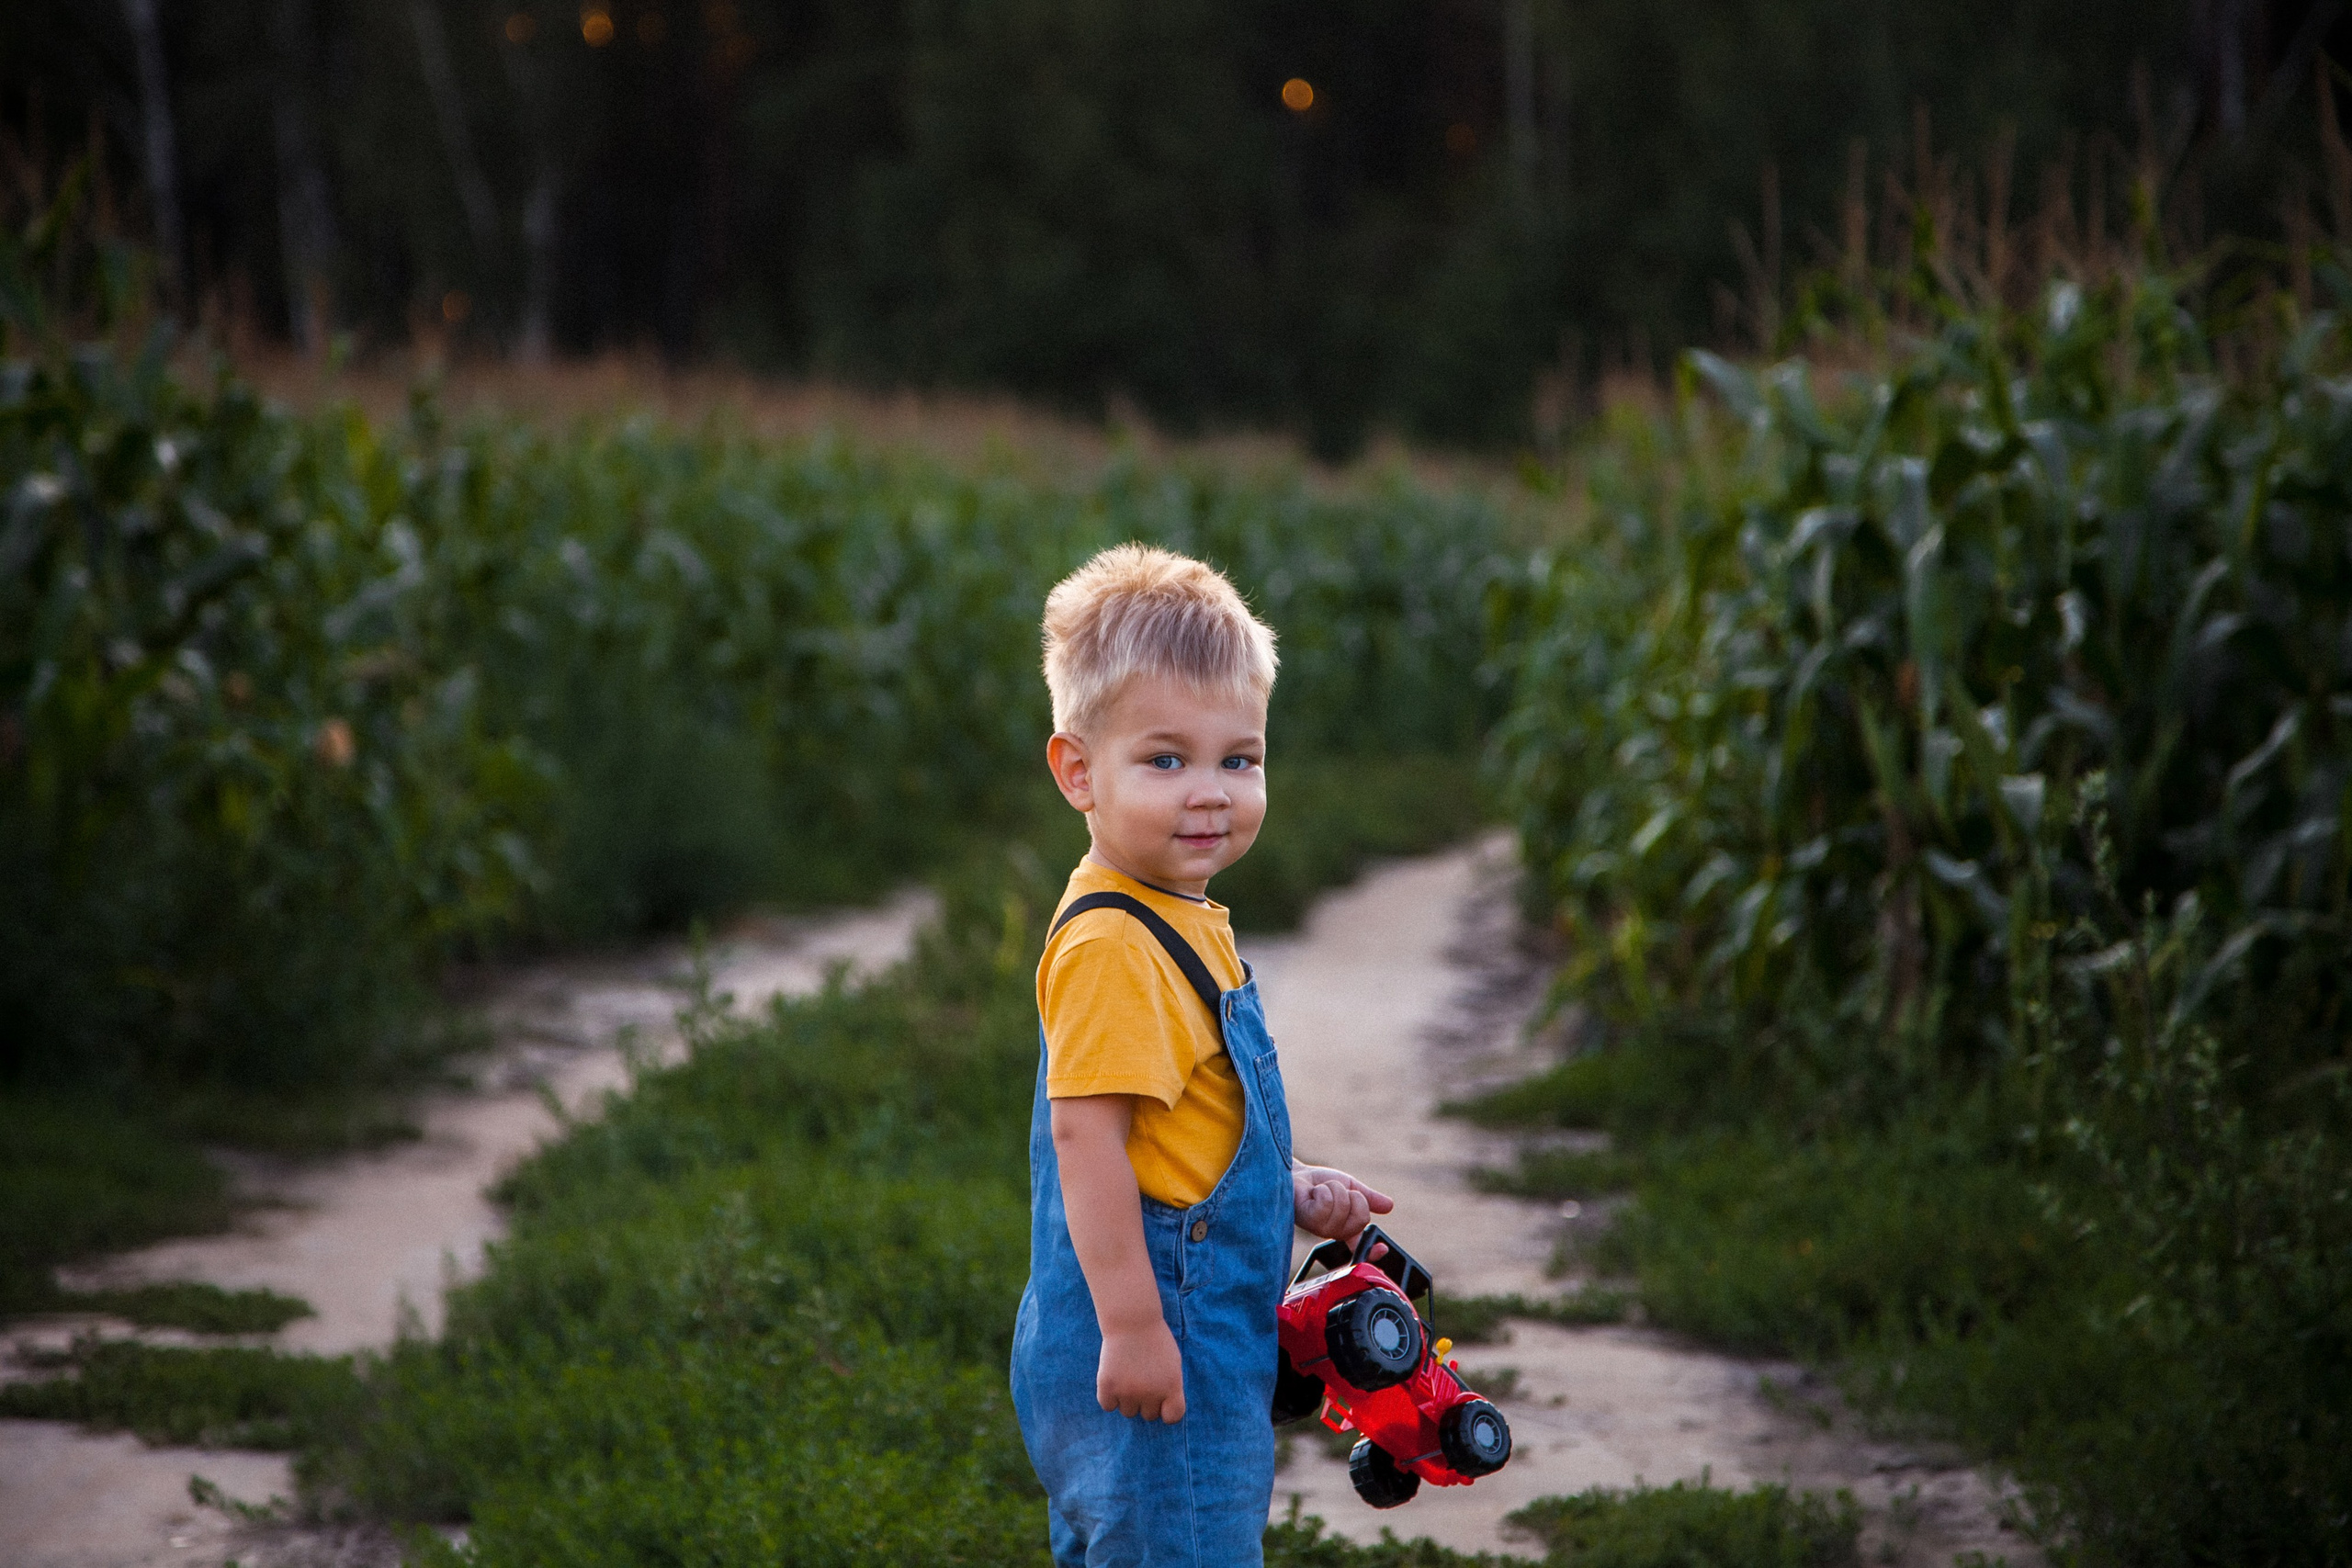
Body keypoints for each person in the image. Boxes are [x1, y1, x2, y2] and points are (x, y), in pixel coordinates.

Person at [1011, 543, 1394, 1566]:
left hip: (1196, 1333)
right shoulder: (1111, 943)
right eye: (1166, 759)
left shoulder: (1175, 915)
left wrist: (1287, 1180)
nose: (1212, 791)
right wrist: (1134, 1327)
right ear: (1078, 772)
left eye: (1241, 758)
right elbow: (1087, 1141)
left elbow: (1181, 1117)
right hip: (1154, 1332)